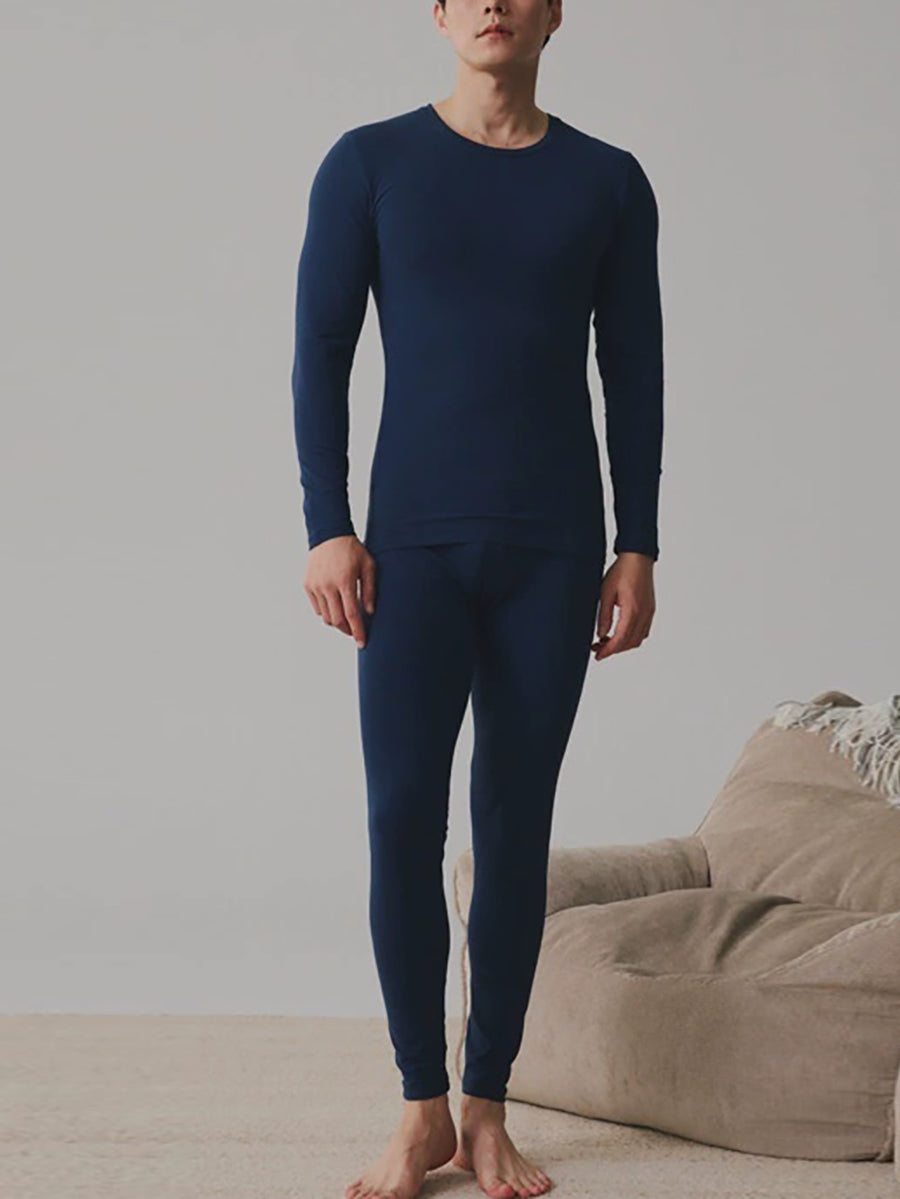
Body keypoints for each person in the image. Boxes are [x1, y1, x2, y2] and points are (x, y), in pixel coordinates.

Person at [291, 1, 664, 1195]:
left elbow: (635, 368)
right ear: (441, 13)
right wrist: (328, 523)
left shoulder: (608, 181)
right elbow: (320, 350)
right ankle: (421, 1106)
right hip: (410, 552)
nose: (493, 3)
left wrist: (638, 542)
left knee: (512, 827)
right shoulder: (370, 164)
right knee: (403, 818)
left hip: (552, 552)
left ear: (555, 14)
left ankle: (487, 1105)